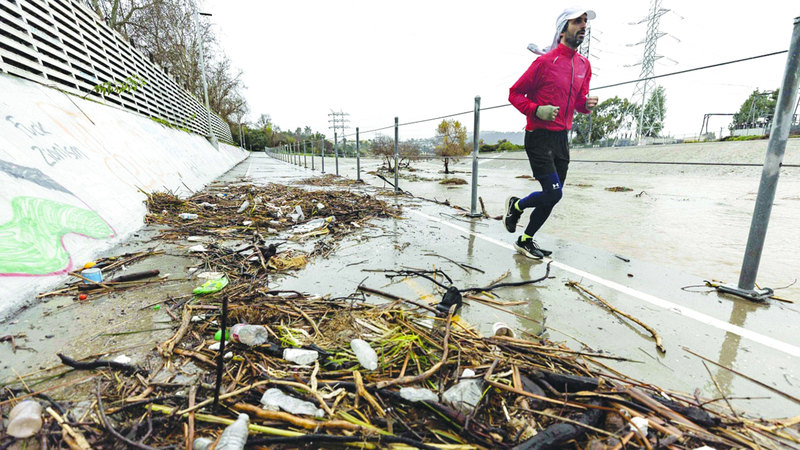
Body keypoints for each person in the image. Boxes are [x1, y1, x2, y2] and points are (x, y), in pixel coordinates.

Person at [505, 7, 599, 259]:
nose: (583, 25)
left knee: (552, 197)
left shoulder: (584, 65)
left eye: (585, 21)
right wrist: (537, 110)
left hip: (561, 139)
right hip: (538, 136)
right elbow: (514, 94)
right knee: (554, 191)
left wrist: (586, 106)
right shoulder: (544, 62)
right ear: (562, 28)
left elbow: (579, 102)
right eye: (577, 21)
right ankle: (517, 205)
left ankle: (525, 239)